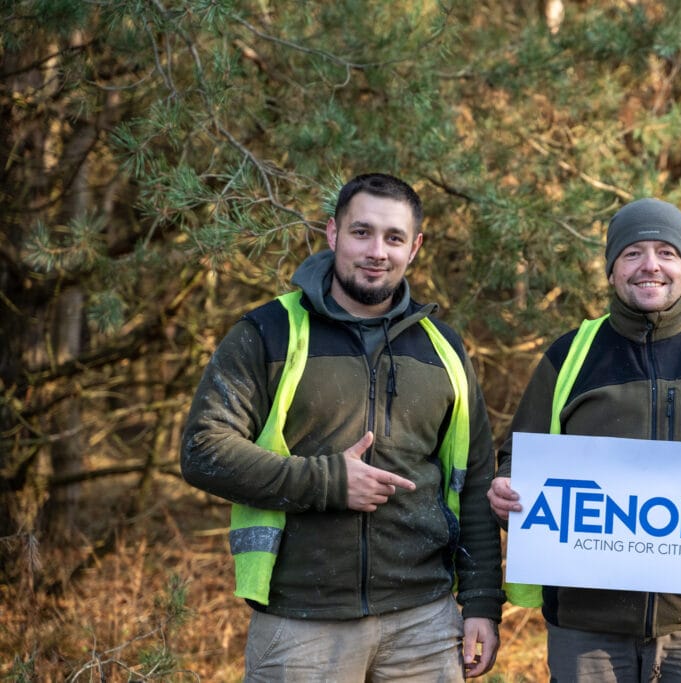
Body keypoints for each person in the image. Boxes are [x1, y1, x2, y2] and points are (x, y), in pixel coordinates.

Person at [181, 173, 504, 681]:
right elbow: (203, 450)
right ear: (332, 233)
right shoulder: (268, 332)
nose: (377, 251)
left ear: (414, 247)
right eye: (362, 232)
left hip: (424, 623)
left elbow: (476, 480)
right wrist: (328, 481)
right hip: (301, 624)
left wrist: (482, 601)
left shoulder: (443, 348)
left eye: (394, 237)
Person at [487, 198, 681, 682]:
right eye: (632, 253)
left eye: (665, 252)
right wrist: (506, 491)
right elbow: (516, 461)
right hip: (585, 624)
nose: (650, 265)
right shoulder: (569, 355)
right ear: (611, 270)